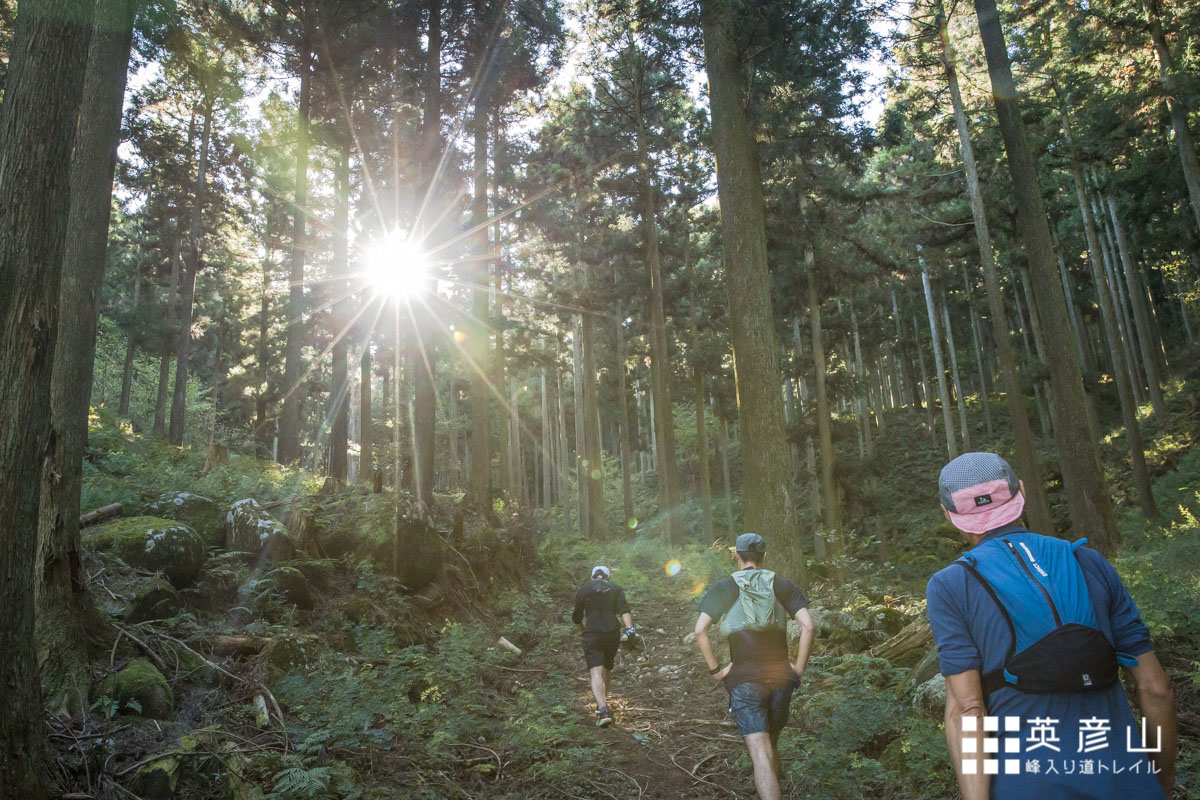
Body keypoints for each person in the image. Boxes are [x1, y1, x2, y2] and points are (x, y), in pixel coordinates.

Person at [927, 452, 1177, 800]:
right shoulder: (1088, 561)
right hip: (1126, 782)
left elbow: (968, 712)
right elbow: (1156, 687)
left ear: (950, 514)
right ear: (1022, 491)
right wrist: (1160, 782)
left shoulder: (951, 585)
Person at [693, 533, 815, 800]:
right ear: (764, 556)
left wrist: (717, 671)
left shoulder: (726, 586)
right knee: (772, 744)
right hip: (781, 677)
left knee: (760, 753)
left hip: (745, 679)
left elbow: (700, 631)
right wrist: (798, 668)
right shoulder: (781, 584)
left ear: (736, 554)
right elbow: (808, 626)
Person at [572, 565, 635, 727]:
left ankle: (602, 710)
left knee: (596, 672)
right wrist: (630, 629)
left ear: (592, 577)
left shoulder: (583, 590)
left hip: (592, 633)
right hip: (612, 633)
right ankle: (604, 702)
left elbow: (577, 617)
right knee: (607, 668)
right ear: (608, 577)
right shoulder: (616, 589)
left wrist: (583, 631)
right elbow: (624, 610)